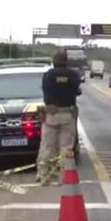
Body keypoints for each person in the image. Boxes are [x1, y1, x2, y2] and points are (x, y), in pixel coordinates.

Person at [36, 51, 81, 185]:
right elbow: (77, 89)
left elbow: (45, 89)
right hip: (67, 114)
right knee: (66, 147)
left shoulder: (48, 75)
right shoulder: (73, 75)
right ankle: (64, 177)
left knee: (47, 146)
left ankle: (43, 175)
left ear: (54, 62)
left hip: (51, 114)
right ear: (66, 61)